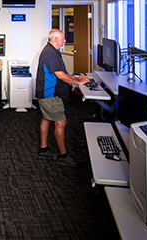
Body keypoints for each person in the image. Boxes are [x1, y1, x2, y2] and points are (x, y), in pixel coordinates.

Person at [35, 29, 90, 167]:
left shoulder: (53, 51)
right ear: (55, 39)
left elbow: (63, 72)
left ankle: (44, 150)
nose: (65, 41)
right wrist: (78, 83)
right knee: (61, 123)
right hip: (50, 95)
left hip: (48, 93)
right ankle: (64, 156)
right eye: (63, 38)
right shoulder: (50, 53)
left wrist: (76, 78)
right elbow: (60, 75)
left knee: (47, 118)